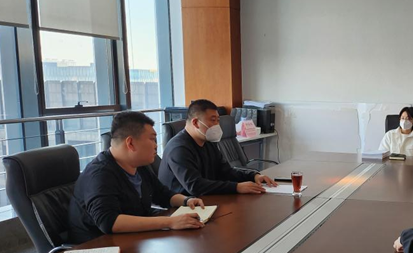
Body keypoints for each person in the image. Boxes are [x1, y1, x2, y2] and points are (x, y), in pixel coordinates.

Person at [69, 111, 206, 244]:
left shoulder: (139, 165)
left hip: (132, 240)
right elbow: (109, 222)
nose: (156, 145)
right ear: (130, 143)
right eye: (152, 139)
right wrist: (170, 222)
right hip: (97, 247)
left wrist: (186, 200)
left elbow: (161, 194)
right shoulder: (100, 174)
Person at [159, 99, 277, 196]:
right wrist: (236, 187)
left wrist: (253, 176)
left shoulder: (208, 142)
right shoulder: (179, 149)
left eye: (218, 120)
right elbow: (195, 186)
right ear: (195, 123)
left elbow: (225, 171)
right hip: (180, 208)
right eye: (213, 120)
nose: (217, 125)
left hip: (204, 201)